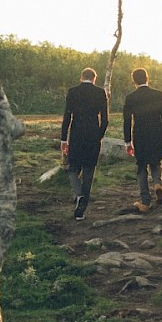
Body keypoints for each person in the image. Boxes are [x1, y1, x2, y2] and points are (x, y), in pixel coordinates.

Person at [60, 67, 109, 220]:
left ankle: (79, 194)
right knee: (89, 169)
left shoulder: (73, 92)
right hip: (93, 134)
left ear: (81, 77)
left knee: (72, 168)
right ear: (94, 78)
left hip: (76, 134)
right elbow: (106, 120)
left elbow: (67, 116)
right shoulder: (100, 92)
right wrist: (98, 136)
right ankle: (81, 208)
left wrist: (63, 139)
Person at [122, 67, 162, 213]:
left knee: (141, 166)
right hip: (157, 133)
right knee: (156, 162)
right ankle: (157, 184)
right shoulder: (158, 94)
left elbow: (127, 121)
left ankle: (145, 201)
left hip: (140, 135)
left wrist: (128, 142)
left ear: (134, 81)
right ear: (147, 78)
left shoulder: (130, 98)